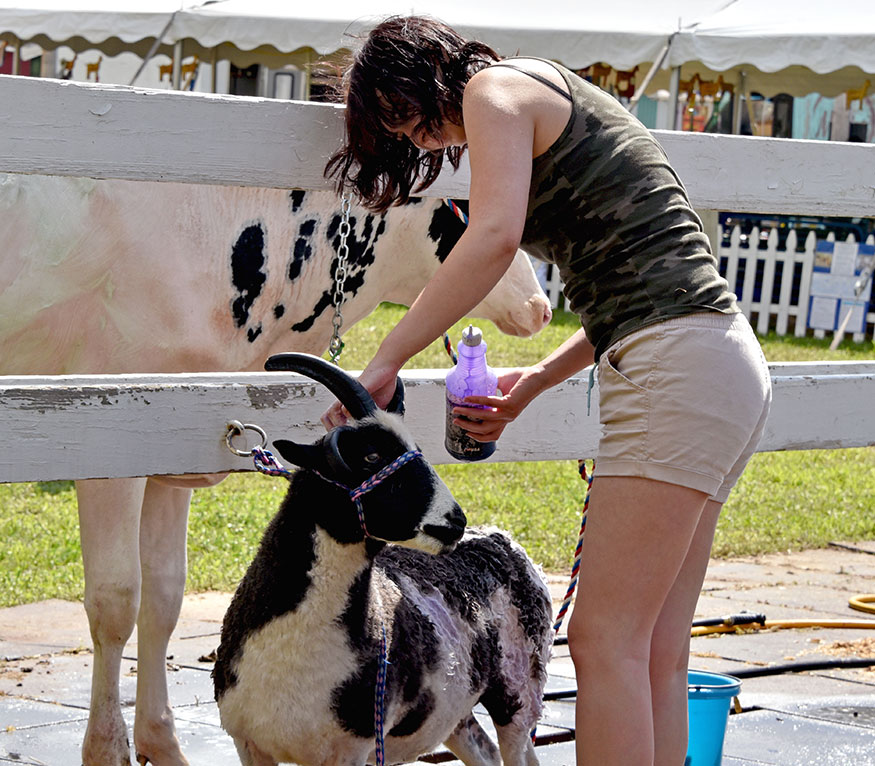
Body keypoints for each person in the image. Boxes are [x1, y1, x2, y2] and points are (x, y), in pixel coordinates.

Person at [323, 15, 772, 766]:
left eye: (395, 117)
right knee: (653, 648)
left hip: (673, 368)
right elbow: (633, 286)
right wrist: (528, 385)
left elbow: (494, 236)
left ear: (412, 80)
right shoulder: (548, 94)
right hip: (715, 359)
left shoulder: (493, 91)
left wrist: (388, 355)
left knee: (604, 642)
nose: (408, 140)